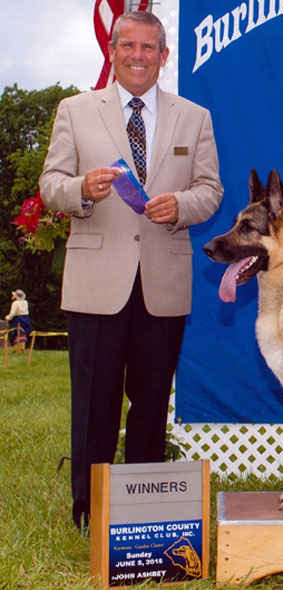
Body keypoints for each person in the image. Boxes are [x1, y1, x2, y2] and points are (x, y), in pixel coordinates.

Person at [39, 11, 223, 532]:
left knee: (150, 402)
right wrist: (81, 190)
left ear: (164, 56)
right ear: (113, 52)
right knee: (94, 401)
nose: (138, 56)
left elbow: (211, 191)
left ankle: (144, 514)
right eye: (128, 46)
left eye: (149, 47)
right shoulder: (75, 110)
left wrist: (181, 206)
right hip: (97, 285)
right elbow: (51, 182)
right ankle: (90, 512)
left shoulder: (196, 116)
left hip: (163, 284)